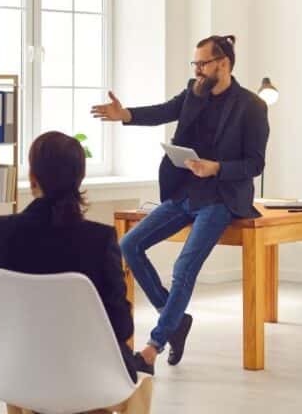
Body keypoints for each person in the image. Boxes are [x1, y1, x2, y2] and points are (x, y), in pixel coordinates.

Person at [91, 35, 269, 373]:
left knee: (183, 268)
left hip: (220, 198)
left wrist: (217, 168)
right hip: (184, 192)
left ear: (223, 64)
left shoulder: (251, 106)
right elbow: (163, 111)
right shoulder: (193, 92)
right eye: (195, 64)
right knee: (129, 244)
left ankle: (152, 348)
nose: (197, 70)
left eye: (203, 64)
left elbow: (255, 164)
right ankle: (176, 321)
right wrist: (125, 114)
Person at [0, 131, 153, 386]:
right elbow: (121, 326)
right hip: (87, 377)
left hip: (15, 371)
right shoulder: (100, 239)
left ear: (33, 177)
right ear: (80, 178)